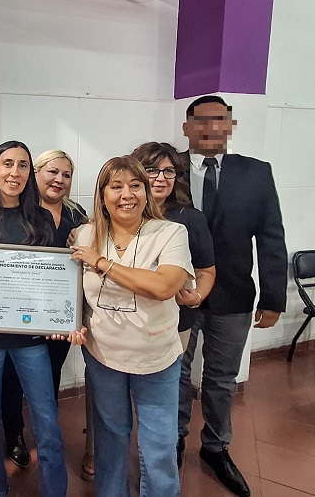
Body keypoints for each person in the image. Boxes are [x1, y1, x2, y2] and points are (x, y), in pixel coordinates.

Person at [0, 141, 83, 497]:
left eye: (22, 165)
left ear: (30, 173)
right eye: (7, 163)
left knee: (46, 416)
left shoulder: (40, 217)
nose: (15, 172)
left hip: (32, 338)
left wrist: (57, 319)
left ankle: (54, 490)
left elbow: (52, 275)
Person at [177, 96, 287, 497]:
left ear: (229, 126)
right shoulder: (166, 169)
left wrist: (273, 298)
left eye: (220, 120)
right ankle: (172, 440)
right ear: (187, 127)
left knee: (222, 378)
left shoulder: (256, 173)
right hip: (176, 294)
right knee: (175, 374)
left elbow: (271, 237)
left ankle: (215, 446)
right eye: (202, 120)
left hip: (233, 294)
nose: (211, 128)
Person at [71, 155, 194, 497]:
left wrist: (102, 263)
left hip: (156, 358)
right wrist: (70, 321)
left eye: (135, 185)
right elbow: (74, 288)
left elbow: (163, 286)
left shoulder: (170, 233)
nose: (127, 195)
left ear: (146, 192)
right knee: (110, 436)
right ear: (102, 195)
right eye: (116, 186)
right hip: (103, 356)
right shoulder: (85, 233)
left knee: (159, 445)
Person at [0, 150, 93, 477]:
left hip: (58, 316)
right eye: (52, 172)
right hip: (21, 313)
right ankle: (14, 435)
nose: (59, 180)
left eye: (66, 175)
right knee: (12, 378)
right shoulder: (18, 210)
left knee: (50, 373)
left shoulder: (78, 216)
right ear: (35, 173)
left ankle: (45, 432)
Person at [131, 142, 216, 353]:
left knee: (172, 372)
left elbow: (205, 270)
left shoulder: (190, 219)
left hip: (173, 323)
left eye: (168, 171)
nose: (161, 178)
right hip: (126, 321)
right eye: (152, 170)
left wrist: (196, 296)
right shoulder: (121, 214)